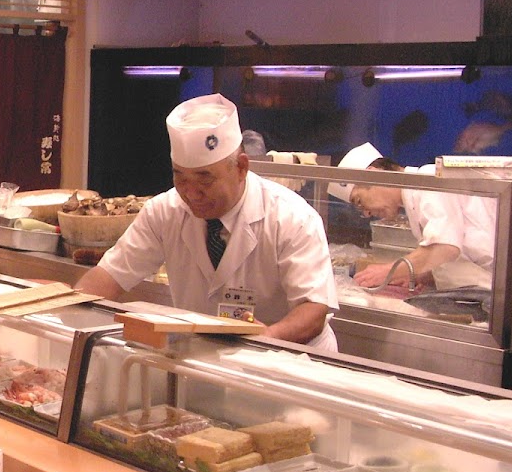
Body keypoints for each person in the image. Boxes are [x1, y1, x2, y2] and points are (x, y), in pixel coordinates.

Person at [77, 94, 338, 349]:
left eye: (205, 179)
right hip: (205, 359)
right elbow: (109, 276)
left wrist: (265, 339)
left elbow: (313, 310)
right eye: (181, 178)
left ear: (241, 168)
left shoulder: (292, 218)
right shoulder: (164, 211)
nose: (191, 193)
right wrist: (68, 311)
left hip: (291, 362)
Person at [331, 143, 495, 291]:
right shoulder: (415, 195)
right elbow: (457, 252)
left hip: (498, 290)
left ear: (373, 175)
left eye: (359, 202)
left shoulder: (428, 178)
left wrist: (388, 271)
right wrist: (422, 275)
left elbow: (445, 247)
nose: (366, 213)